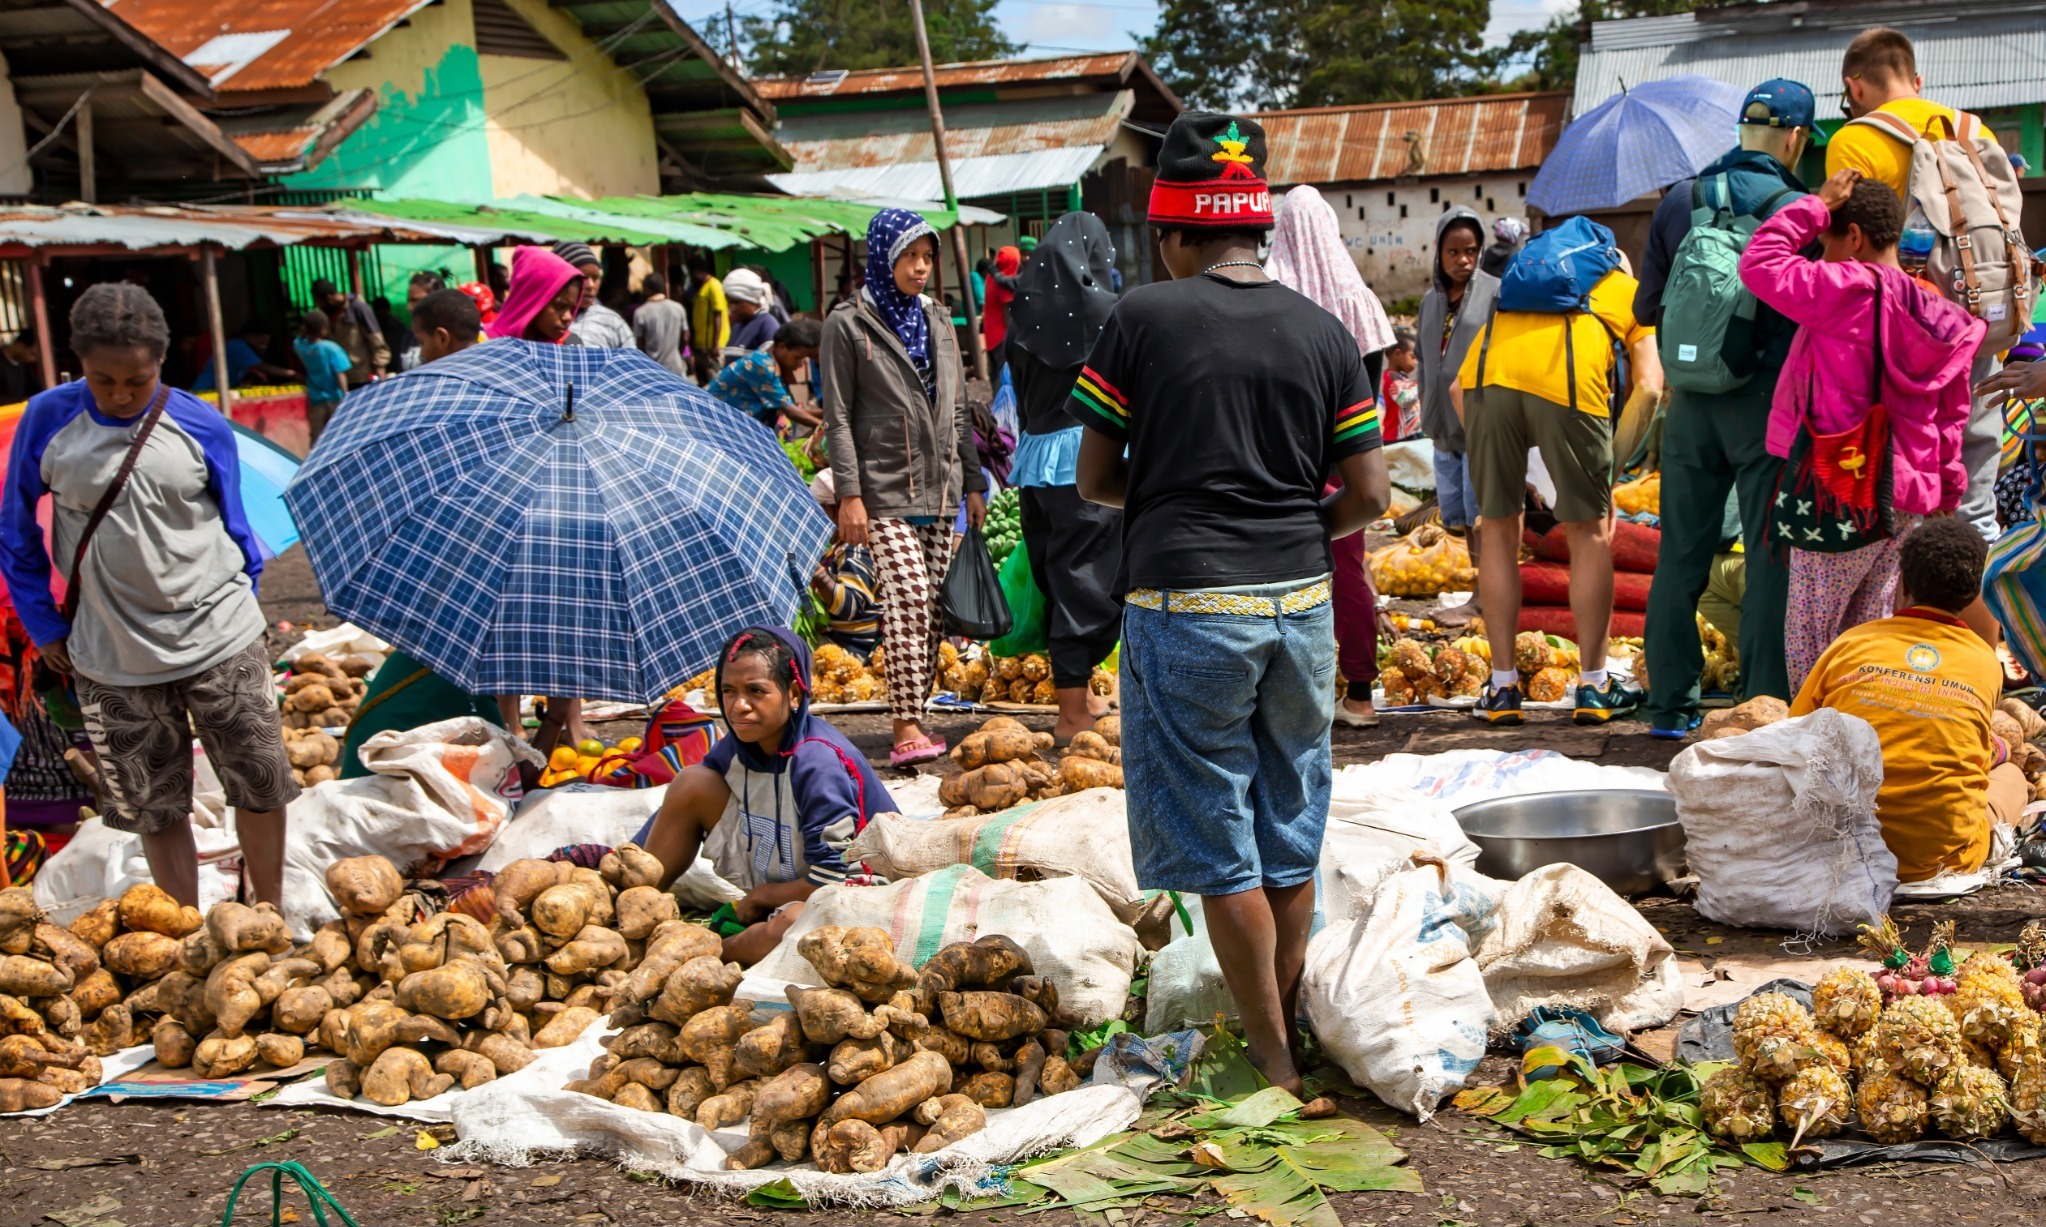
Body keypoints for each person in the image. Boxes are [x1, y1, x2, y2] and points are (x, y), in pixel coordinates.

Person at [1073, 112, 1391, 1095]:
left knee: (1218, 835)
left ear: (1173, 231)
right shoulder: (1324, 330)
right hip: (1300, 600)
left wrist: (1174, 496)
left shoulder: (1139, 319)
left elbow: (1094, 478)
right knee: (1288, 811)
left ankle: (1268, 1056)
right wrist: (1288, 519)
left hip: (1183, 603)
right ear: (1256, 225)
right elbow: (1372, 496)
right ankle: (1286, 1013)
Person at [0, 283, 296, 906]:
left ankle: (266, 913)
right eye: (103, 380)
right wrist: (45, 626)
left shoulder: (198, 422)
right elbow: (15, 533)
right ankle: (184, 924)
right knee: (154, 806)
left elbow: (237, 530)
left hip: (221, 636)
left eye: (136, 380)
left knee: (261, 785)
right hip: (111, 655)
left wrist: (243, 610)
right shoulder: (49, 420)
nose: (120, 395)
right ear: (77, 363)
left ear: (161, 362)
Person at [1739, 171, 1982, 691]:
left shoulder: (1843, 289)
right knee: (1870, 629)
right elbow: (1952, 416)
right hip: (1910, 498)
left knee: (1813, 632)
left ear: (1853, 239)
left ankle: (1819, 744)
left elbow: (1759, 264)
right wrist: (1948, 491)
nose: (1820, 252)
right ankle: (1863, 738)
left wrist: (1814, 205)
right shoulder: (1941, 313)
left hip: (1843, 486)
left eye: (1826, 240)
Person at [1634, 78, 1816, 737]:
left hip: (1689, 405)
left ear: (1741, 130)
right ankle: (1766, 701)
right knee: (1769, 554)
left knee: (1680, 552)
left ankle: (1670, 707)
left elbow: (1647, 309)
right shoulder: (1798, 209)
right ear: (1795, 137)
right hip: (1763, 404)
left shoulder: (1678, 201)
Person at [1458, 230, 1661, 725]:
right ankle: (1594, 686)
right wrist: (1608, 469)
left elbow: (1454, 390)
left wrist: (1506, 461)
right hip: (1568, 387)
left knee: (1501, 530)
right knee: (1589, 535)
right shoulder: (1624, 291)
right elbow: (1651, 388)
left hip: (1486, 388)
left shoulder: (1519, 292)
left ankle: (1502, 688)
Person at [820, 208, 986, 767]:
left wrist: (974, 481)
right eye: (910, 257)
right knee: (909, 597)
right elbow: (838, 416)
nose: (920, 267)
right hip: (883, 489)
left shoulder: (938, 319)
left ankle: (914, 711)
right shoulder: (848, 324)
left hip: (941, 488)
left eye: (927, 256)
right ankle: (905, 724)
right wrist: (850, 493)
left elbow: (958, 408)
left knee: (932, 608)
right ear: (885, 257)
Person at [1829, 26, 2004, 540]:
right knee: (1975, 465)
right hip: (1977, 310)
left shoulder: (1854, 139)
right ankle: (1980, 595)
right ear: (1917, 80)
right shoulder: (1976, 130)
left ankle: (1906, 601)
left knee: (1908, 482)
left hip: (1905, 335)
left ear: (1854, 87)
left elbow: (1849, 250)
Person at [632, 627, 895, 965]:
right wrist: (631, 866)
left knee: (791, 925)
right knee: (692, 782)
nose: (739, 706)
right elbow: (677, 806)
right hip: (789, 867)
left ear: (795, 695)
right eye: (728, 690)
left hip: (860, 888)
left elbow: (832, 879)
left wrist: (762, 896)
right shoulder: (739, 746)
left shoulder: (817, 762)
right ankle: (639, 910)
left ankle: (695, 955)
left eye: (756, 691)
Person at [1790, 518, 2020, 882]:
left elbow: (1794, 735)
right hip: (1940, 858)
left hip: (1837, 847)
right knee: (2012, 776)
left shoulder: (1851, 643)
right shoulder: (1983, 660)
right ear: (1975, 591)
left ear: (1903, 583)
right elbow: (1969, 750)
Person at [340, 290, 497, 778]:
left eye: (424, 340)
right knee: (488, 678)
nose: (420, 351)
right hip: (490, 562)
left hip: (457, 570)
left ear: (443, 337)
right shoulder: (501, 382)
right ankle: (505, 757)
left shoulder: (441, 397)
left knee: (378, 724)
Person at [1267, 183, 1399, 731]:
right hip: (1346, 463)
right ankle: (1361, 695)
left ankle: (1297, 695)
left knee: (1283, 578)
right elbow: (1370, 390)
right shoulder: (1357, 297)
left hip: (1283, 463)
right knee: (1347, 569)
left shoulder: (1274, 291)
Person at [1005, 212, 1125, 738]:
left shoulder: (1021, 318)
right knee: (1094, 580)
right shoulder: (1109, 315)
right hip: (1091, 459)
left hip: (1036, 464)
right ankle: (1073, 713)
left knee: (1062, 579)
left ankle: (1076, 702)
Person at [485, 248, 600, 750]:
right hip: (508, 495)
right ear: (532, 299)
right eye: (557, 305)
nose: (564, 317)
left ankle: (568, 720)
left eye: (571, 306)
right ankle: (509, 725)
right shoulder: (497, 353)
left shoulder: (572, 346)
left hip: (565, 492)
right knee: (507, 616)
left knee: (569, 613)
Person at [1416, 209, 1495, 628]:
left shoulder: (1494, 295)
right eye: (1453, 252)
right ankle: (1480, 593)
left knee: (1483, 514)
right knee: (1462, 518)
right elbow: (1425, 364)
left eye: (1470, 251)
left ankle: (1485, 597)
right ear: (1439, 254)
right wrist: (1426, 408)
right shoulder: (1430, 303)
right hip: (1442, 429)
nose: (1463, 259)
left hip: (1479, 423)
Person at [807, 471, 881, 657]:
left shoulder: (855, 547)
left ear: (833, 511)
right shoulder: (839, 547)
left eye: (819, 511)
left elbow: (850, 606)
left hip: (850, 651)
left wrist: (819, 575)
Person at [706, 317, 823, 434]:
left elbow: (794, 408)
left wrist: (826, 415)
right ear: (782, 347)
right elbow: (790, 411)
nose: (800, 364)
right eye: (797, 358)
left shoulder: (774, 363)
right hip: (714, 421)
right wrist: (826, 426)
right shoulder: (762, 365)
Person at [487, 246, 584, 346]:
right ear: (531, 299)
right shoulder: (482, 341)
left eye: (572, 309)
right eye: (559, 306)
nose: (568, 317)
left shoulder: (569, 347)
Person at [309, 277, 388, 385]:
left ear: (329, 298)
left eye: (318, 302)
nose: (318, 306)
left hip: (364, 377)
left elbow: (377, 342)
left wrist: (380, 372)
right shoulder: (329, 315)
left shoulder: (358, 308)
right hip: (342, 378)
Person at [553, 242, 631, 350]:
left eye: (595, 278)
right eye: (583, 277)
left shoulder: (612, 322)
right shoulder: (546, 322)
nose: (590, 285)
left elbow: (631, 361)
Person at [294, 310, 352, 442]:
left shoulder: (301, 347)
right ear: (323, 329)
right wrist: (346, 396)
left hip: (315, 400)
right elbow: (340, 374)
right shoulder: (331, 349)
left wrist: (303, 332)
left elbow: (297, 340)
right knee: (337, 436)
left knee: (317, 438)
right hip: (334, 399)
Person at [191, 322, 293, 393]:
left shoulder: (240, 345)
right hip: (206, 391)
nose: (264, 347)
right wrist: (294, 374)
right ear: (251, 336)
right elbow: (265, 367)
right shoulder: (238, 347)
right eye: (262, 343)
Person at [633, 273, 691, 378]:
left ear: (647, 289)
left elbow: (639, 346)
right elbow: (685, 337)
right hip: (676, 368)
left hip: (654, 372)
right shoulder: (678, 308)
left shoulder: (640, 313)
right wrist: (682, 355)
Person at [410, 288, 483, 367]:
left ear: (443, 338)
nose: (421, 353)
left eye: (421, 342)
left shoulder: (440, 378)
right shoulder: (493, 360)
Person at [981, 246, 1022, 373]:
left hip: (991, 336)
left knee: (995, 376)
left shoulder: (990, 278)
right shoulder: (1003, 285)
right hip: (1002, 338)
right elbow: (1007, 315)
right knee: (1005, 377)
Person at [688, 257, 729, 384]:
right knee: (704, 383)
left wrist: (715, 344)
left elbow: (718, 313)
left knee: (715, 381)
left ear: (695, 273)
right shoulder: (703, 287)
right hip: (702, 346)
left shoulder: (714, 285)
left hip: (713, 347)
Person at [722, 268, 781, 354]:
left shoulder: (767, 324)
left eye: (736, 303)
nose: (732, 308)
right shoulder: (737, 325)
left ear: (752, 300)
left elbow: (770, 363)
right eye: (729, 303)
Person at [1381, 329, 1418, 441]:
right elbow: (1404, 399)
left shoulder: (1401, 377)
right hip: (1397, 437)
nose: (1415, 362)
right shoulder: (1391, 377)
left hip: (1408, 434)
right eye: (1412, 357)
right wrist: (1422, 385)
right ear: (1397, 354)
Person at [0, 330, 38, 404]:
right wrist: (22, 401)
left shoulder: (23, 366)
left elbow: (35, 388)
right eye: (33, 354)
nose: (33, 360)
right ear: (20, 345)